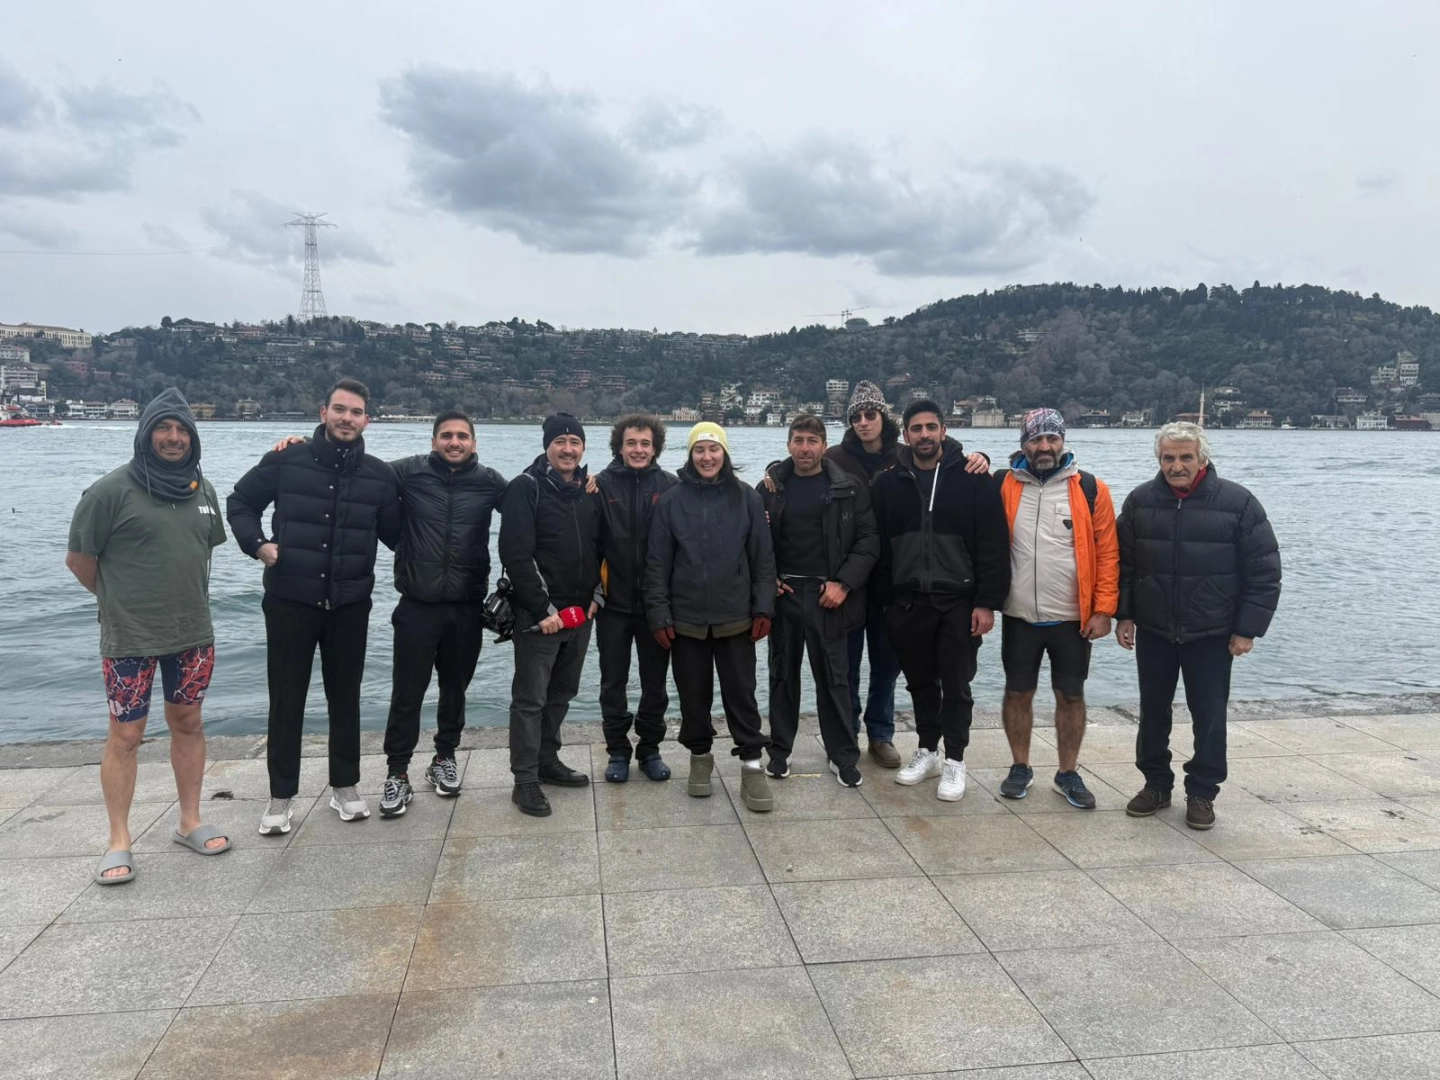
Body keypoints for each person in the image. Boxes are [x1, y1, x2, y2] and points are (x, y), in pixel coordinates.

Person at [66, 388, 231, 883]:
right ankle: (119, 840)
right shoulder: (109, 492)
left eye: (182, 430)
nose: (174, 437)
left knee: (189, 723)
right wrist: (121, 602)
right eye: (163, 427)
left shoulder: (203, 490)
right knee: (126, 734)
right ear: (146, 434)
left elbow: (198, 552)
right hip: (129, 638)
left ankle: (190, 821)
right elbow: (79, 561)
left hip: (192, 633)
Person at [227, 378, 401, 833]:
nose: (347, 418)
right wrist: (257, 544)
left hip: (350, 604)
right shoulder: (287, 459)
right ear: (323, 413)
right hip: (290, 599)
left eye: (356, 412)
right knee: (287, 698)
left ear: (367, 420)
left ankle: (345, 786)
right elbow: (240, 502)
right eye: (340, 409)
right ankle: (281, 795)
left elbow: (399, 535)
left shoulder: (380, 476)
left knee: (346, 697)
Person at [1115, 421, 1280, 830]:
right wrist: (1124, 614)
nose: (1177, 465)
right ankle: (1156, 784)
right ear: (1159, 460)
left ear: (1202, 458)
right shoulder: (1139, 502)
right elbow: (1124, 566)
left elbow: (1264, 572)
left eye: (1185, 457)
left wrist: (1247, 629)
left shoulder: (1239, 503)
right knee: (1152, 712)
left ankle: (1202, 791)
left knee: (1209, 715)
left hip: (1212, 632)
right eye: (1168, 457)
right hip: (1154, 629)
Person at [824, 381, 989, 767]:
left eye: (870, 414)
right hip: (846, 580)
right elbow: (800, 464)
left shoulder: (902, 455)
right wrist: (773, 471)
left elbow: (944, 454)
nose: (864, 422)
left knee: (887, 666)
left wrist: (979, 456)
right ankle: (845, 736)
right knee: (845, 667)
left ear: (884, 418)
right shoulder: (834, 458)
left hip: (893, 582)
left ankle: (880, 734)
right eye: (856, 417)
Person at [871, 400, 1010, 801]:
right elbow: (878, 546)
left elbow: (993, 544)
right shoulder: (889, 483)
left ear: (944, 431)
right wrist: (885, 602)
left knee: (956, 685)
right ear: (906, 435)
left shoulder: (974, 479)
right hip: (908, 601)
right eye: (916, 428)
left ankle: (956, 760)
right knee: (920, 684)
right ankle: (928, 750)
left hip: (959, 601)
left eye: (931, 427)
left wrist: (987, 602)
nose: (925, 435)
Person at [378, 411, 507, 816]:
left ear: (474, 443)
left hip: (466, 607)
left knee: (455, 690)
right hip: (416, 606)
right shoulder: (407, 472)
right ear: (433, 441)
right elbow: (361, 474)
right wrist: (299, 448)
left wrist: (585, 484)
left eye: (462, 436)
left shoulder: (489, 481)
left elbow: (530, 504)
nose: (455, 442)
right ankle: (397, 773)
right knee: (407, 693)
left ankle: (444, 757)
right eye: (447, 435)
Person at [645, 422, 777, 812]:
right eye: (699, 450)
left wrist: (764, 607)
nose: (707, 457)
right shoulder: (672, 501)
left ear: (724, 453)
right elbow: (657, 564)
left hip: (737, 618)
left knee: (742, 694)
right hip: (685, 621)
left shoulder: (747, 498)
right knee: (693, 696)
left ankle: (751, 765)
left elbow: (763, 559)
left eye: (713, 449)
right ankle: (700, 758)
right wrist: (659, 614)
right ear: (690, 455)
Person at [993, 408, 1119, 809]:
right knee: (1017, 693)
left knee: (1071, 696)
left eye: (1052, 438)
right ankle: (1020, 766)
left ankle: (1067, 772)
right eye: (1035, 439)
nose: (1044, 446)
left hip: (1072, 618)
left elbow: (1108, 554)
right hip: (1019, 614)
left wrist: (1104, 610)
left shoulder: (1091, 489)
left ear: (1063, 441)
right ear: (1024, 444)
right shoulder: (1003, 484)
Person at [759, 414, 878, 786]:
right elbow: (754, 541)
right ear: (788, 445)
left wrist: (844, 583)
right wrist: (768, 580)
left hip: (829, 596)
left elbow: (868, 541)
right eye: (798, 440)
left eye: (812, 441)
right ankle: (779, 752)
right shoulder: (770, 487)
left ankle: (843, 757)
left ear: (824, 446)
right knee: (782, 677)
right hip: (785, 595)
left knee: (834, 680)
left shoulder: (848, 488)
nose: (805, 448)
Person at [499, 413, 603, 817]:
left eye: (575, 442)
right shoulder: (526, 487)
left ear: (583, 447)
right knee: (530, 700)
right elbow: (516, 553)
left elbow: (602, 549)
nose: (568, 449)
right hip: (540, 617)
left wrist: (598, 596)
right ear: (547, 446)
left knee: (561, 694)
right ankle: (524, 780)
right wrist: (542, 609)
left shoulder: (590, 491)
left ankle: (547, 759)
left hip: (582, 615)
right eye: (560, 442)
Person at [591, 414, 678, 783]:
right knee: (612, 682)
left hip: (656, 606)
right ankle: (617, 750)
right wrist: (593, 591)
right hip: (613, 605)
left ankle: (650, 749)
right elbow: (589, 545)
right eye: (631, 443)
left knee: (655, 683)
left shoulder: (671, 486)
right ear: (620, 447)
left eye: (645, 443)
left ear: (655, 447)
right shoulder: (599, 485)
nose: (638, 449)